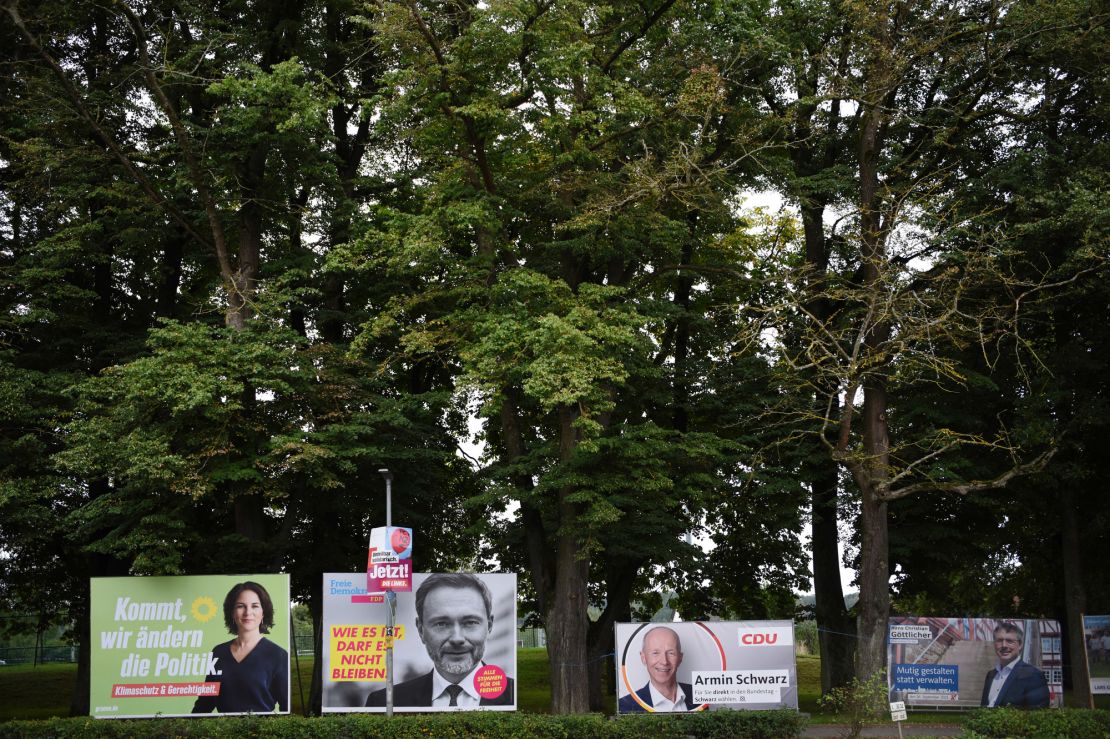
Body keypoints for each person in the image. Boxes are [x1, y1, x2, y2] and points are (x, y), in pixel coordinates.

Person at [365, 573, 514, 708]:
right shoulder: (381, 702)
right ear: (421, 630)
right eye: (441, 624)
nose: (457, 638)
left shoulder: (514, 695)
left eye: (470, 622)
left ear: (489, 626)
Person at [192, 581, 288, 713]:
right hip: (223, 731)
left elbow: (286, 707)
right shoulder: (218, 652)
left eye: (255, 606)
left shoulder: (278, 655)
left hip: (262, 731)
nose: (248, 612)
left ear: (263, 612)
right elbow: (205, 702)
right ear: (232, 612)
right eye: (240, 606)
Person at [618, 626, 696, 713]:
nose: (664, 661)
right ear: (643, 657)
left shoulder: (698, 695)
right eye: (655, 653)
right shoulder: (626, 706)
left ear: (680, 658)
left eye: (671, 653)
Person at [979, 621, 1049, 709]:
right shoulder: (991, 675)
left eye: (1009, 641)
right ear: (994, 644)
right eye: (999, 640)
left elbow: (1038, 716)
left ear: (1020, 645)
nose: (1004, 645)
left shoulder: (1033, 675)